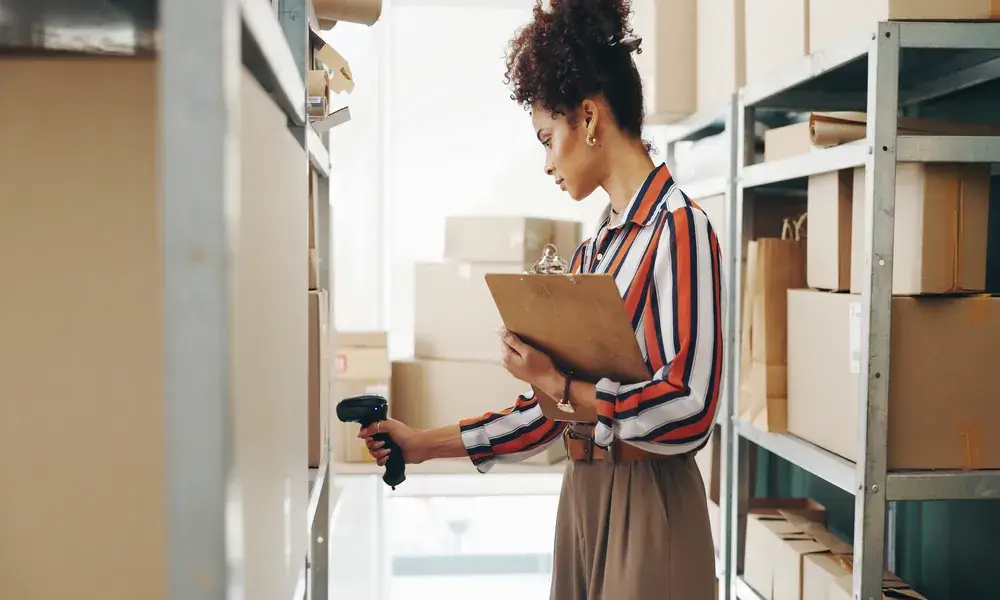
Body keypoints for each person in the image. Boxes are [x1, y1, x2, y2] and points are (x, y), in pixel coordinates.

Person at [359, 0, 725, 597]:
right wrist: (421, 444)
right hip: (583, 496)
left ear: (588, 117)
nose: (547, 163)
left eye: (546, 138)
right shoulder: (594, 251)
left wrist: (561, 386)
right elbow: (547, 414)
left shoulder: (680, 231)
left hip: (650, 503)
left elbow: (689, 413)